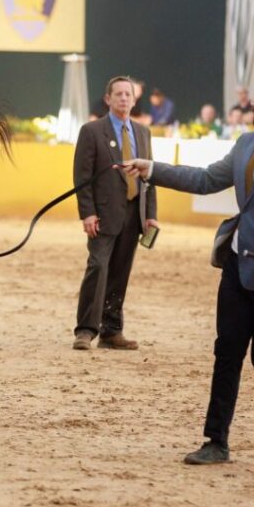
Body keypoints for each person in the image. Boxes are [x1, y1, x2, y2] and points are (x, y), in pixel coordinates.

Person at [123, 71, 254, 465]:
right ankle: (215, 441)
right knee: (227, 352)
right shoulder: (245, 144)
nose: (250, 104)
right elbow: (205, 179)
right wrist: (152, 169)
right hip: (238, 266)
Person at [72, 75, 158, 351]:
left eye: (128, 94)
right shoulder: (92, 131)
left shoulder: (143, 133)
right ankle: (85, 330)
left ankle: (111, 330)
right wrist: (87, 213)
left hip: (134, 213)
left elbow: (149, 176)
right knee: (98, 267)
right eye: (118, 94)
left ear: (134, 100)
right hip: (103, 215)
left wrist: (150, 213)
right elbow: (82, 177)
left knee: (121, 272)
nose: (123, 98)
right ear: (108, 99)